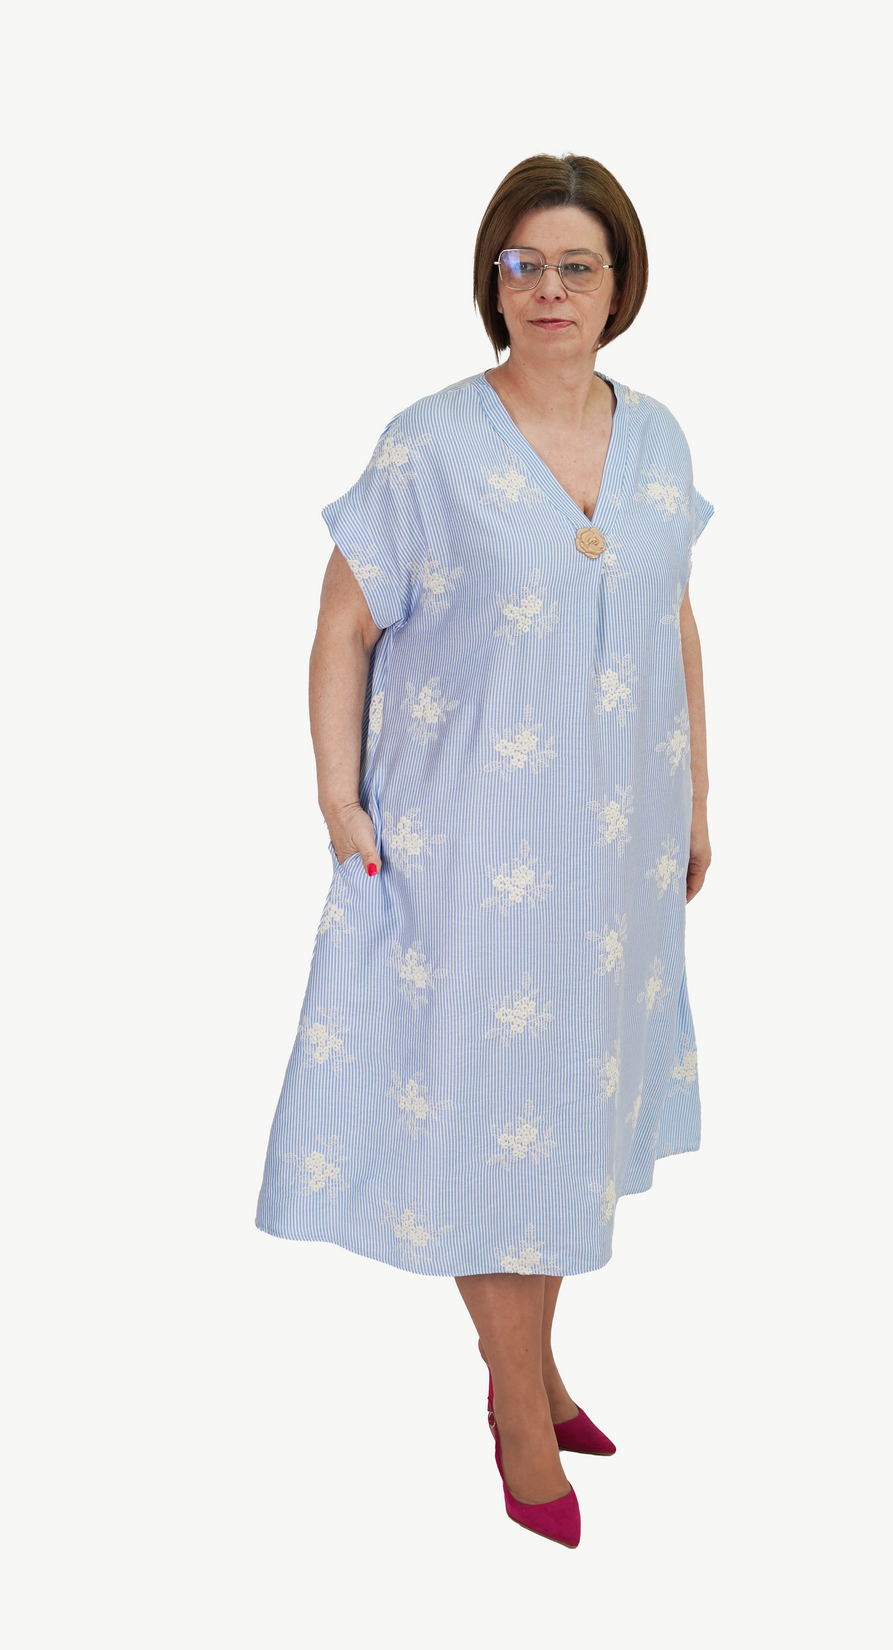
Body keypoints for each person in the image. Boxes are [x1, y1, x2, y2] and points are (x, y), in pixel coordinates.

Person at [255, 153, 713, 1549]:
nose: (550, 289)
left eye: (578, 265)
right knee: (493, 1123)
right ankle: (519, 1408)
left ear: (621, 283)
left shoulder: (659, 439)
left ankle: (534, 1367)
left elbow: (673, 616)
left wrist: (698, 798)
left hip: (616, 855)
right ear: (491, 282)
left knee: (566, 1118)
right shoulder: (431, 446)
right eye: (525, 265)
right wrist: (338, 800)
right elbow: (345, 624)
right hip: (470, 849)